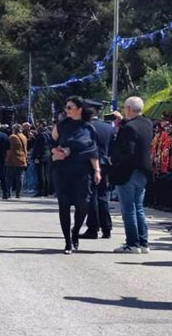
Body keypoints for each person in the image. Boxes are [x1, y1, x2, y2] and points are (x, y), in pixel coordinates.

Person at [50, 96, 101, 255]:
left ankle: (75, 231)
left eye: (70, 107)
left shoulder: (89, 128)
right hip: (63, 170)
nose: (67, 110)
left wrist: (97, 170)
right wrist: (55, 152)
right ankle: (67, 241)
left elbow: (93, 151)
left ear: (79, 109)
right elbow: (51, 143)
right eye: (66, 108)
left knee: (83, 205)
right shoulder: (61, 125)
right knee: (64, 205)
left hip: (82, 171)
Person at [109, 96, 154, 254]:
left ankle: (132, 244)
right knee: (138, 208)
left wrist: (112, 158)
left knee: (128, 209)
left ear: (128, 109)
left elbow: (127, 152)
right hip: (143, 171)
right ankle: (143, 242)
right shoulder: (148, 124)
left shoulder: (129, 128)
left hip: (129, 172)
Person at [82, 102, 115, 239]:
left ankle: (93, 228)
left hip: (90, 164)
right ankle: (106, 227)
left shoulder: (85, 127)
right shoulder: (108, 128)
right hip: (105, 164)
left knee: (91, 196)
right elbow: (113, 147)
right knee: (102, 196)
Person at [4, 124, 27, 200]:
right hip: (22, 159)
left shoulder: (12, 137)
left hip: (13, 160)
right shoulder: (24, 137)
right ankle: (19, 193)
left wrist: (7, 159)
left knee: (9, 178)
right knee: (20, 178)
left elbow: (8, 148)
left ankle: (8, 193)